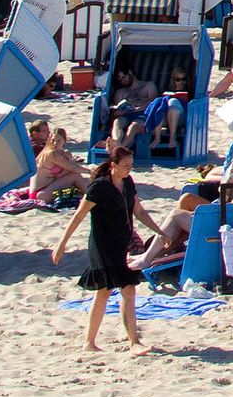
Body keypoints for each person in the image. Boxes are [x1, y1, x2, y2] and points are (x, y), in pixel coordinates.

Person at [51, 145, 162, 353]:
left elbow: (138, 210)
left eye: (131, 165)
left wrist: (159, 231)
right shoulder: (99, 187)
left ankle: (99, 343)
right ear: (113, 165)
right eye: (126, 165)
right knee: (117, 290)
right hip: (102, 245)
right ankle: (127, 342)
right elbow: (79, 216)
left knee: (115, 291)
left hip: (121, 244)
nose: (130, 169)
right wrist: (61, 244)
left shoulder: (128, 183)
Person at [31, 124, 92, 198]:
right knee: (75, 177)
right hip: (41, 193)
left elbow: (70, 170)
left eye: (58, 140)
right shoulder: (51, 153)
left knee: (87, 181)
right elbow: (74, 169)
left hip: (47, 189)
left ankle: (88, 196)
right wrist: (91, 172)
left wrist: (70, 159)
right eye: (53, 140)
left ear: (64, 140)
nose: (55, 143)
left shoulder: (60, 152)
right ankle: (91, 198)